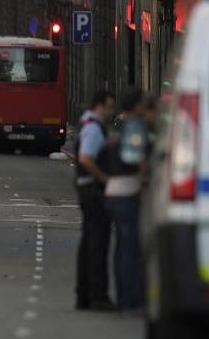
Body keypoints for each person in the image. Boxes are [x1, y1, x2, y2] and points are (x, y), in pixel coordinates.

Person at [75, 90, 115, 311]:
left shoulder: (87, 124)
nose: (111, 112)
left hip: (86, 188)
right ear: (100, 106)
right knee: (98, 243)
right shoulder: (93, 128)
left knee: (89, 242)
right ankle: (97, 294)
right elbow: (85, 158)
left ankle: (84, 294)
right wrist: (103, 178)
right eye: (109, 107)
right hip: (93, 190)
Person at [104, 89, 144, 312]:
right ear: (136, 106)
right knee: (130, 247)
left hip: (112, 189)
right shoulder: (133, 127)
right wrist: (144, 169)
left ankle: (121, 296)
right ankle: (130, 299)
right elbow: (133, 156)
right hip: (128, 190)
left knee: (121, 247)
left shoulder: (115, 128)